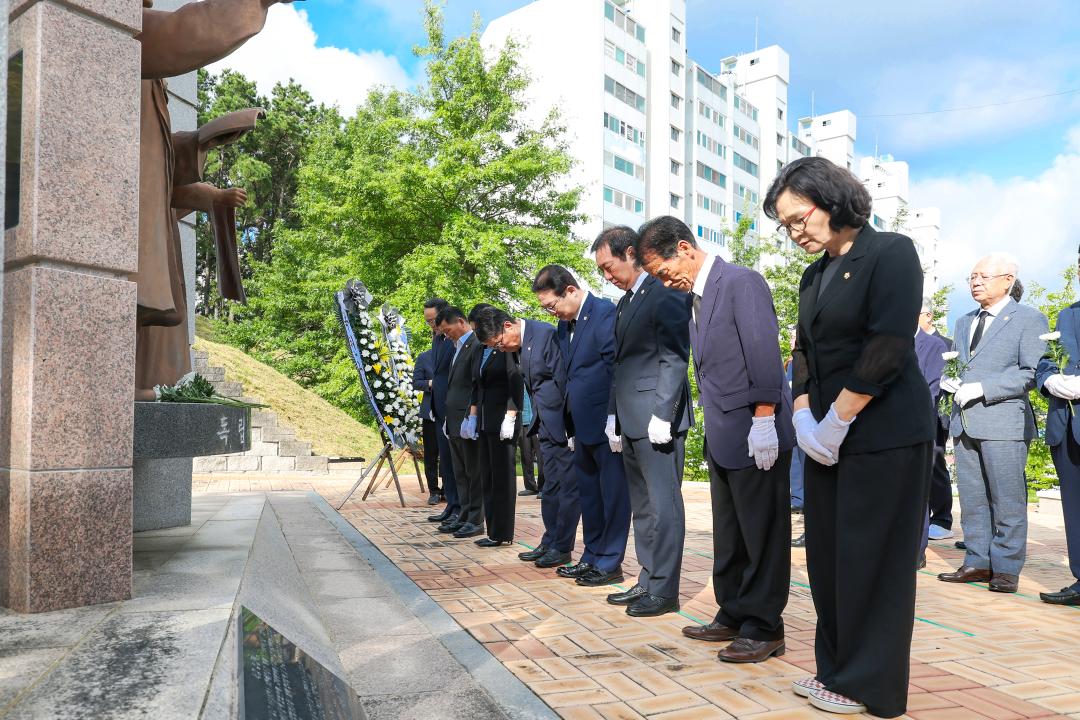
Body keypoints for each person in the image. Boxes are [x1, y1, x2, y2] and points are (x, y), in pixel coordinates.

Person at [762, 156, 933, 716]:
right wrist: (804, 416)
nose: (794, 232)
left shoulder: (891, 252)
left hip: (883, 431)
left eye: (798, 218)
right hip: (825, 436)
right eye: (785, 225)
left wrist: (839, 418)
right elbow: (803, 352)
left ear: (830, 199)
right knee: (829, 558)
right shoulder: (814, 276)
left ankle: (871, 685)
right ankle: (836, 668)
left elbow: (889, 344)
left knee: (873, 559)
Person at [636, 216, 795, 663]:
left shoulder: (741, 282)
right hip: (725, 435)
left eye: (664, 271)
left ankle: (765, 627)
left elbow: (763, 350)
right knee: (731, 533)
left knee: (762, 535)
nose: (666, 282)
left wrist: (764, 417)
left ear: (684, 248)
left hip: (755, 430)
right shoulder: (696, 297)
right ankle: (733, 612)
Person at [592, 226, 692, 618]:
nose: (606, 276)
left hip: (657, 419)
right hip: (631, 418)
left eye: (609, 266)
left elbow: (674, 356)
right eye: (601, 271)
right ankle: (648, 578)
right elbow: (620, 367)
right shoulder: (625, 303)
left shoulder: (663, 290)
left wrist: (663, 414)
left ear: (630, 253)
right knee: (643, 507)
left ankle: (665, 590)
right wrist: (613, 416)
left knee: (664, 506)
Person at [938, 254, 1047, 594]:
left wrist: (983, 389)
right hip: (964, 421)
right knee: (973, 499)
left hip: (1004, 422)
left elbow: (1031, 372)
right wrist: (950, 380)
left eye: (983, 276)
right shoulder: (964, 321)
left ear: (1008, 280)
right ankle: (977, 561)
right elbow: (962, 364)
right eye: (972, 277)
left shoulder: (1029, 319)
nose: (975, 282)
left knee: (1007, 500)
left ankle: (1006, 568)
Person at [533, 265, 630, 587]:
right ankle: (591, 555)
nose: (552, 313)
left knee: (612, 495)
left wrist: (615, 416)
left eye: (552, 305)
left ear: (570, 291)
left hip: (605, 422)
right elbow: (568, 375)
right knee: (589, 496)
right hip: (580, 423)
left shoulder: (604, 313)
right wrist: (569, 424)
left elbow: (616, 368)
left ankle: (610, 561)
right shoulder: (564, 326)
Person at [472, 306, 580, 569]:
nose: (500, 349)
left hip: (562, 424)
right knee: (550, 487)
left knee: (567, 488)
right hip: (544, 424)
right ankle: (550, 540)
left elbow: (564, 381)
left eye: (498, 343)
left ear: (508, 326)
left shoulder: (544, 335)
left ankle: (562, 547)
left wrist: (571, 426)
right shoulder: (516, 345)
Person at [1036, 249, 1080, 605]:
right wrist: (1049, 379)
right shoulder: (1067, 315)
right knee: (1075, 509)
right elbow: (1046, 361)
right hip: (1066, 426)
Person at [469, 318, 523, 548]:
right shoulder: (482, 350)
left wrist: (510, 416)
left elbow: (515, 382)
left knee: (502, 479)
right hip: (485, 421)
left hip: (503, 421)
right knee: (488, 477)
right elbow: (477, 384)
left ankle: (502, 532)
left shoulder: (505, 348)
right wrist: (473, 416)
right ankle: (492, 531)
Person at [435, 306, 486, 539]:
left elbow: (475, 384)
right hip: (453, 418)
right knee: (461, 472)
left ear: (460, 322)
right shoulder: (457, 346)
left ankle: (475, 519)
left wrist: (471, 416)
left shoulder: (475, 344)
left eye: (448, 330)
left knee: (473, 472)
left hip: (466, 418)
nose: (446, 336)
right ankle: (464, 514)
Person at [914, 308, 947, 567]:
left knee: (917, 494)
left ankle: (916, 551)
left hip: (915, 428)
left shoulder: (934, 345)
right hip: (880, 431)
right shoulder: (883, 340)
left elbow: (931, 390)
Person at [918, 304, 955, 540]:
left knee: (935, 463)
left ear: (928, 316)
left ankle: (942, 517)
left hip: (938, 414)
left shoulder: (946, 344)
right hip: (917, 414)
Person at [423, 298, 460, 524]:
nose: (432, 326)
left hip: (453, 406)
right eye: (428, 322)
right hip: (438, 408)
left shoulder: (454, 338)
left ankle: (460, 508)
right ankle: (451, 505)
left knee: (456, 462)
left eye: (434, 321)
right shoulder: (437, 339)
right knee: (445, 461)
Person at [412, 347, 442, 505]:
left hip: (449, 412)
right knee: (431, 454)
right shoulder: (424, 357)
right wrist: (431, 383)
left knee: (449, 454)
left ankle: (448, 489)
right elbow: (416, 382)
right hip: (430, 413)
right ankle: (434, 491)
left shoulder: (454, 354)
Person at [518, 391, 545, 496]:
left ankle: (544, 486)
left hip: (537, 420)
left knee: (541, 455)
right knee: (526, 455)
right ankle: (530, 486)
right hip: (523, 420)